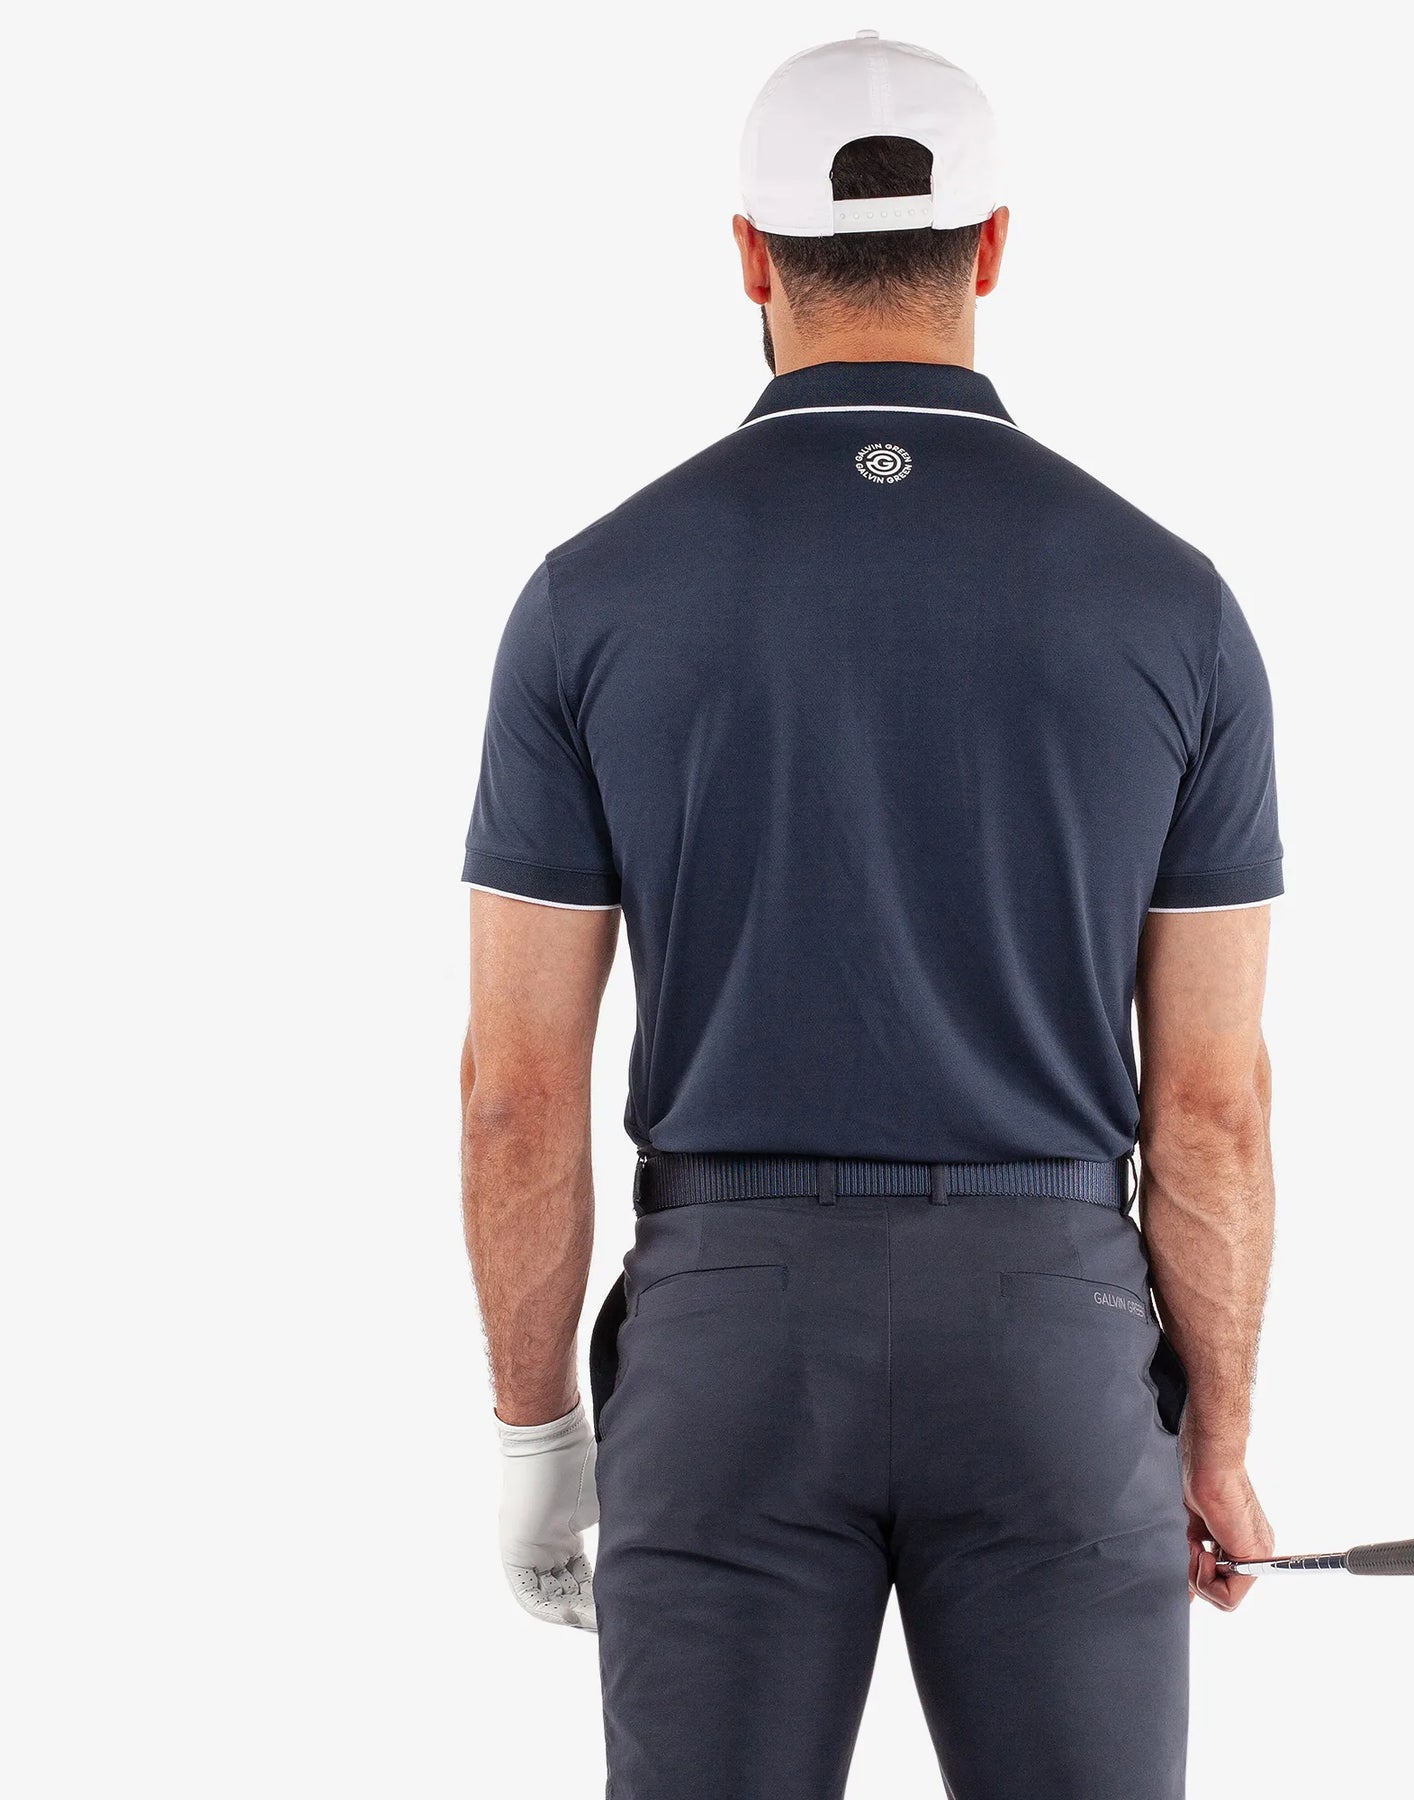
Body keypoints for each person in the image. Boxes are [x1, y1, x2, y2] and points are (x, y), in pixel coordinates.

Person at [460, 30, 1282, 1800]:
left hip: (725, 1341)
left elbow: (516, 1087)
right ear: (994, 247)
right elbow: (1213, 1102)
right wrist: (1214, 1438)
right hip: (1054, 1337)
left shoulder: (591, 597)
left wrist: (537, 1438)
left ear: (748, 257)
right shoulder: (1174, 605)